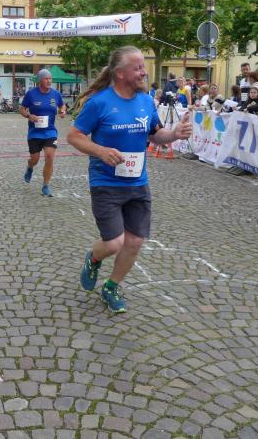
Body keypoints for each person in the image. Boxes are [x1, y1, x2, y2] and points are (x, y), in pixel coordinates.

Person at [68, 46, 192, 314]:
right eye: (137, 68)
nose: (144, 72)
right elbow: (74, 136)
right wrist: (101, 151)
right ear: (120, 73)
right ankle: (94, 258)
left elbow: (155, 134)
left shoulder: (146, 101)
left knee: (134, 242)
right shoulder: (99, 102)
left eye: (143, 67)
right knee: (114, 242)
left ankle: (111, 287)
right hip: (106, 183)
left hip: (137, 183)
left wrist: (174, 134)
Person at [20, 69, 67, 197]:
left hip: (50, 131)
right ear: (40, 80)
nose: (49, 81)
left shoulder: (56, 94)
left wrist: (63, 111)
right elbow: (22, 109)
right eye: (46, 79)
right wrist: (29, 115)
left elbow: (62, 105)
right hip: (35, 132)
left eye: (50, 78)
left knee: (50, 157)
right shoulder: (31, 94)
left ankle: (46, 185)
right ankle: (30, 166)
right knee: (35, 159)